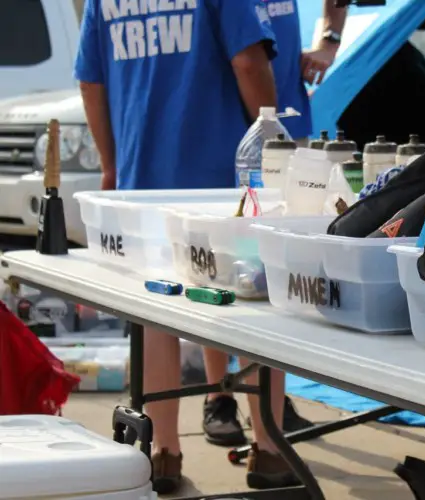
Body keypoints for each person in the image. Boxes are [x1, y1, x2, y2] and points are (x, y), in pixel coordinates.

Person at [74, 0, 293, 494]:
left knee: (155, 315)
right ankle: (270, 451)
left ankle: (163, 452)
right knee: (260, 308)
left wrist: (111, 164)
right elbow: (248, 60)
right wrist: (274, 144)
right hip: (223, 181)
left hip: (142, 180)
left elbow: (90, 82)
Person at [200, 0, 348, 449]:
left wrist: (329, 41)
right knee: (223, 265)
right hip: (235, 128)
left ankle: (269, 400)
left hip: (281, 126)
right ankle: (220, 394)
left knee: (269, 272)